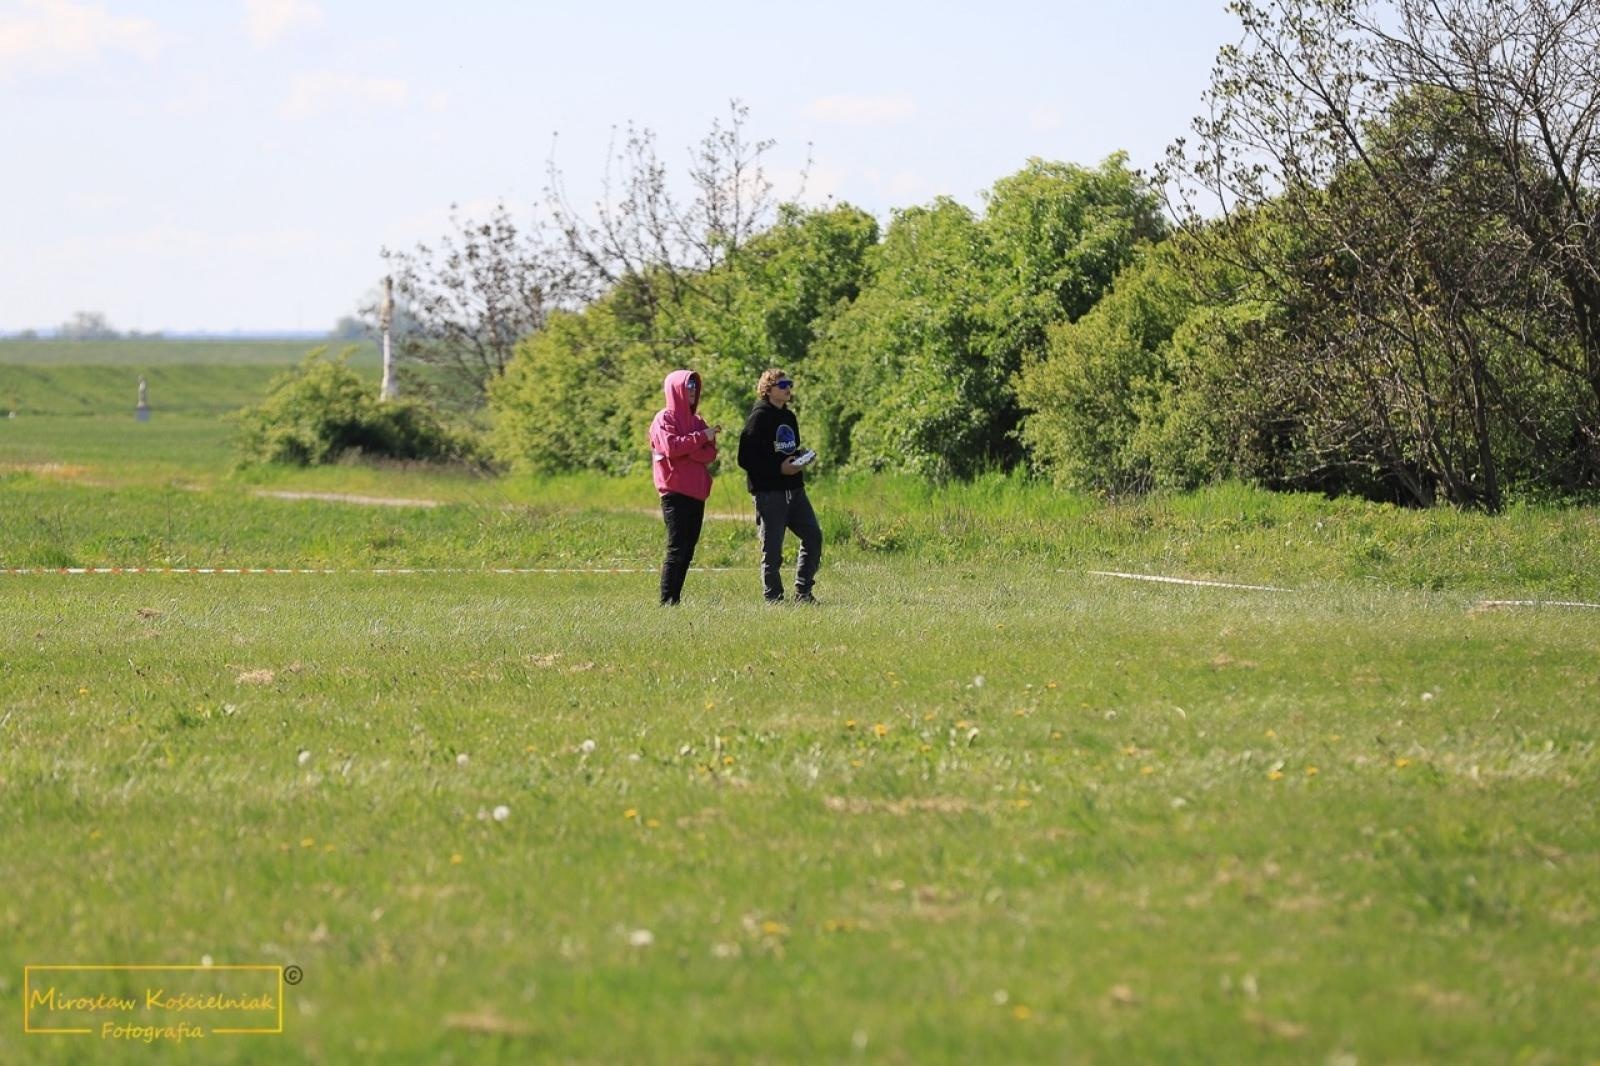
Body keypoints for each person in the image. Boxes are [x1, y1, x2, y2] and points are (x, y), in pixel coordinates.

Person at [737, 368, 822, 604]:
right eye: (782, 385)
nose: (788, 389)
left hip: (795, 490)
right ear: (768, 389)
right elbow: (745, 458)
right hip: (769, 493)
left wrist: (799, 458)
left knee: (813, 537)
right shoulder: (759, 417)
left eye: (789, 384)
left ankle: (803, 591)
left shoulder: (789, 417)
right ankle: (773, 598)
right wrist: (778, 469)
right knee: (772, 550)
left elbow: (786, 450)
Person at [649, 369, 720, 605]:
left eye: (694, 387)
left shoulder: (698, 421)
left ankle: (675, 599)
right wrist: (700, 439)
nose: (691, 392)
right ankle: (667, 601)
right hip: (674, 492)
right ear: (675, 389)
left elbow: (710, 453)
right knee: (677, 547)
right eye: (687, 387)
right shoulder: (664, 419)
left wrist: (690, 447)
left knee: (689, 549)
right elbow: (671, 448)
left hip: (697, 492)